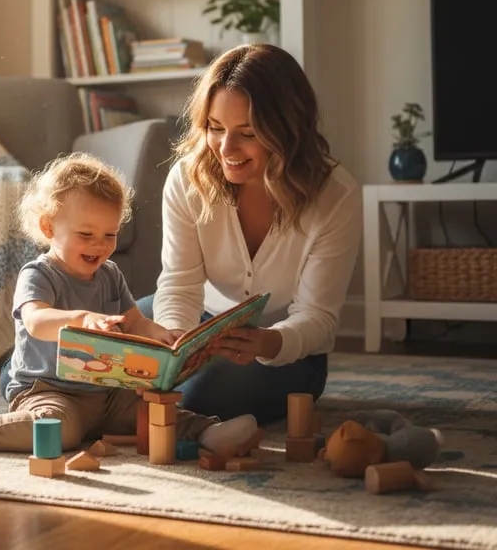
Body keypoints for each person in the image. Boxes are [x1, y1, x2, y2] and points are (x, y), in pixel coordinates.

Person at [0, 152, 259, 456]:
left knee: (153, 407)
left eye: (109, 235)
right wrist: (81, 319)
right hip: (50, 390)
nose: (99, 245)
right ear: (48, 227)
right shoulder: (39, 274)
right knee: (59, 430)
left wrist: (164, 335)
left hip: (108, 392)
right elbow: (36, 321)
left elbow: (134, 321)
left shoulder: (109, 274)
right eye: (86, 235)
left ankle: (208, 432)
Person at [137, 44, 362, 425]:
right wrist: (175, 340)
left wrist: (269, 342)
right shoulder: (188, 179)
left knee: (199, 397)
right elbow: (179, 284)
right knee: (101, 347)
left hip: (282, 346)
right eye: (215, 128)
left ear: (287, 130)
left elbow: (318, 318)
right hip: (199, 322)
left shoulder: (335, 195)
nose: (226, 148)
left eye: (248, 133)